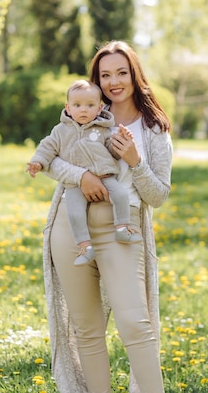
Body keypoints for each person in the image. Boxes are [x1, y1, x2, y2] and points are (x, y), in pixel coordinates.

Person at [29, 40, 174, 393]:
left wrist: (135, 159)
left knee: (135, 324)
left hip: (121, 231)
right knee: (85, 326)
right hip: (70, 229)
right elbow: (53, 157)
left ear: (135, 75)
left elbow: (159, 195)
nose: (113, 82)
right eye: (105, 74)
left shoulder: (153, 130)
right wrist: (81, 176)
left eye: (121, 73)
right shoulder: (82, 112)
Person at [26, 80, 142, 265]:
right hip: (75, 184)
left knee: (120, 195)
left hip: (105, 176)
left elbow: (111, 150)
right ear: (68, 108)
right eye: (77, 105)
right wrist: (38, 163)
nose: (83, 110)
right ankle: (85, 247)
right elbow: (47, 147)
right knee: (75, 213)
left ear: (99, 108)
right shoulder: (61, 131)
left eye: (90, 105)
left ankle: (122, 227)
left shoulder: (102, 129)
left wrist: (120, 142)